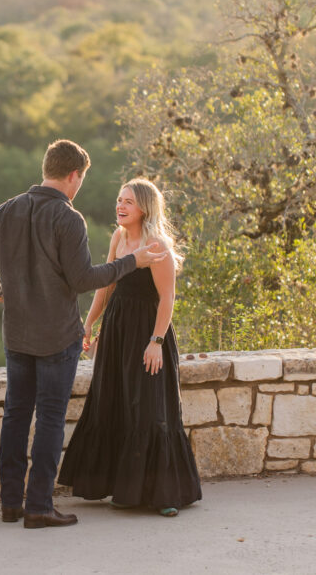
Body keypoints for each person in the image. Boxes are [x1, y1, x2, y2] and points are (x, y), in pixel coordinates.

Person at [0, 140, 166, 529]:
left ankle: (11, 502)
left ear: (47, 167)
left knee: (15, 415)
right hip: (57, 338)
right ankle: (39, 507)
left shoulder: (6, 210)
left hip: (16, 335)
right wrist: (133, 261)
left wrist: (1, 293)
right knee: (48, 418)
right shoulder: (68, 218)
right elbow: (82, 279)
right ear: (74, 175)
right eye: (82, 179)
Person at [58, 178, 202, 517]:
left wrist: (156, 342)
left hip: (147, 334)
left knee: (150, 407)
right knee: (115, 402)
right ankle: (122, 489)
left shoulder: (158, 245)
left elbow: (167, 298)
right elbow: (106, 285)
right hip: (117, 332)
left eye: (129, 203)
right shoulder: (119, 237)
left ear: (145, 209)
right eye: (119, 200)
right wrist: (89, 322)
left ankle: (164, 495)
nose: (120, 207)